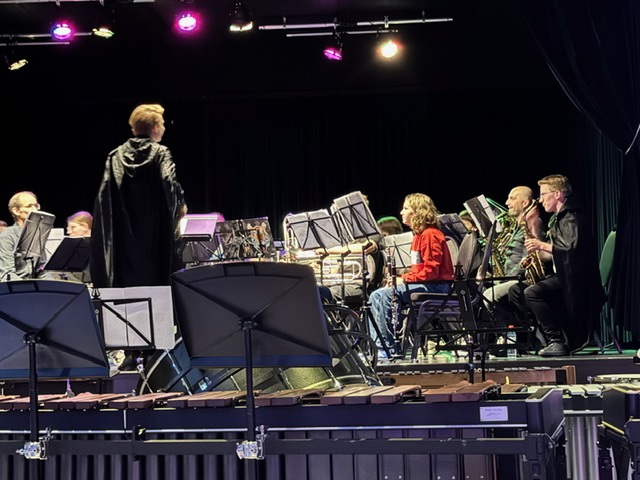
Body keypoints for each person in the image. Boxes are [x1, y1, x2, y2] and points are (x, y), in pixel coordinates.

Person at [91, 103, 187, 288]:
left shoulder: (115, 156)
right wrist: (180, 206)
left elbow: (104, 200)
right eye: (163, 123)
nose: (164, 127)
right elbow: (169, 184)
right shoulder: (161, 153)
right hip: (154, 235)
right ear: (155, 128)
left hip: (123, 236)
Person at [513, 174, 605, 356]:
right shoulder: (559, 218)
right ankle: (536, 340)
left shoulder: (572, 216)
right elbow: (560, 251)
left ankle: (557, 341)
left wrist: (541, 245)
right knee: (515, 291)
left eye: (543, 194)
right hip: (563, 276)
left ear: (557, 194)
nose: (540, 200)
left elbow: (572, 249)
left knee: (532, 293)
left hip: (577, 283)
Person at [369, 193, 454, 355]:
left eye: (406, 208)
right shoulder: (418, 236)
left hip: (437, 287)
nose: (401, 212)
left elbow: (431, 271)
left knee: (383, 295)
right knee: (376, 295)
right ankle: (380, 347)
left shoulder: (430, 234)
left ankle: (386, 348)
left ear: (418, 211)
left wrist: (404, 280)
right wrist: (400, 279)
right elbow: (418, 271)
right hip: (427, 283)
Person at [0, 191, 43, 281]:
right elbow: (7, 274)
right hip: (16, 286)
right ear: (16, 211)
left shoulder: (37, 234)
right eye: (29, 206)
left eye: (36, 206)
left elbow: (42, 270)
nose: (35, 210)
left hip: (33, 285)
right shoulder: (7, 236)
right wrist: (28, 287)